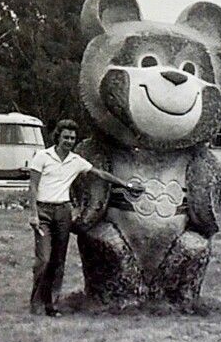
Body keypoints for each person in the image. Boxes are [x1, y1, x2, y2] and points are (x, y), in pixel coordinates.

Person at [27, 119, 143, 317]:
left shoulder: (76, 161)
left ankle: (51, 304)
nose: (69, 141)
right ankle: (36, 302)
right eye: (66, 137)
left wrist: (126, 185)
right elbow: (33, 186)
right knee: (43, 260)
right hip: (43, 211)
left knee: (58, 261)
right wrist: (33, 214)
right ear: (58, 137)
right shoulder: (42, 156)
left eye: (72, 138)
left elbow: (100, 174)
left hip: (63, 212)